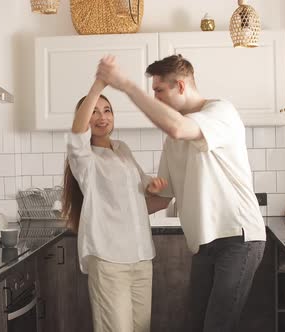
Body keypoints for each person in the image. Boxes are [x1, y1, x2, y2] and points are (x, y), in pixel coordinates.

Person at [96, 54, 267, 332]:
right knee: (194, 324)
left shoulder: (220, 112)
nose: (156, 98)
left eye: (160, 91)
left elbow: (177, 127)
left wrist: (126, 85)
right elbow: (161, 198)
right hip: (204, 244)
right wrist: (105, 214)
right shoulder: (173, 141)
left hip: (239, 239)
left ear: (182, 86)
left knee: (217, 326)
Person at [62, 78, 168, 332]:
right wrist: (99, 85)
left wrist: (154, 187)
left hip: (141, 256)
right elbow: (77, 136)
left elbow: (143, 192)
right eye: (94, 112)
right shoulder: (85, 159)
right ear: (84, 119)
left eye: (107, 110)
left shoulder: (123, 149)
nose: (102, 117)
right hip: (109, 260)